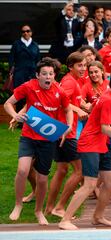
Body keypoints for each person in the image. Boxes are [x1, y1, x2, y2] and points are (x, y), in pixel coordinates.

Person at [58, 69, 111, 230]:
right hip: (90, 144)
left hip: (102, 144)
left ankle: (98, 216)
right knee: (90, 184)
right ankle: (65, 220)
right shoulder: (108, 100)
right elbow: (105, 128)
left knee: (110, 182)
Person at [4, 57, 73, 225]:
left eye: (51, 74)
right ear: (37, 75)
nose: (48, 77)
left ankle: (38, 211)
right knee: (22, 170)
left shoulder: (60, 92)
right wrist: (15, 115)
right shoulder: (29, 86)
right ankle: (18, 205)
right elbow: (8, 103)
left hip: (48, 140)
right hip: (28, 137)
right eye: (44, 74)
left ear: (54, 76)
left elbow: (68, 109)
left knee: (42, 179)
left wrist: (69, 126)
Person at [44, 52, 88, 218]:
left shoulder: (72, 80)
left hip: (60, 132)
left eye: (84, 65)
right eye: (80, 66)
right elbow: (62, 101)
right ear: (71, 67)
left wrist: (83, 107)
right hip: (66, 133)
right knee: (80, 171)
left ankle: (49, 208)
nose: (83, 68)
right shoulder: (70, 81)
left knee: (62, 169)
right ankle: (60, 207)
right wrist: (78, 110)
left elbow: (70, 100)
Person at [9, 25, 40, 112]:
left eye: (27, 31)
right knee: (19, 95)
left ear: (31, 32)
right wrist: (11, 71)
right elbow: (11, 59)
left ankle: (31, 119)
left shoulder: (35, 45)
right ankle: (19, 119)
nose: (25, 33)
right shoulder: (16, 44)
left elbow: (38, 60)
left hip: (32, 73)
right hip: (19, 73)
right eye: (23, 31)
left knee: (32, 95)